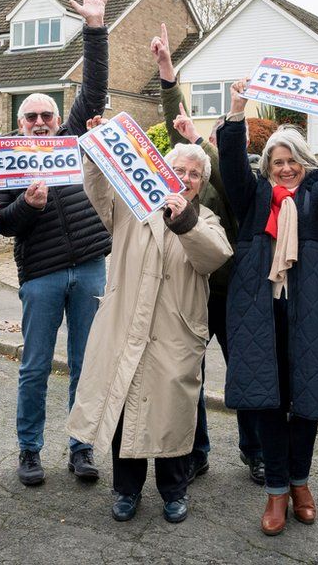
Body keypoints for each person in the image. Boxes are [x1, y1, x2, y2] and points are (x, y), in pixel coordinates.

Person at [67, 116, 232, 523]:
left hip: (175, 335)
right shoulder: (131, 208)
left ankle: (174, 491)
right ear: (162, 169)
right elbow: (99, 190)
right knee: (126, 412)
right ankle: (125, 490)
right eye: (178, 169)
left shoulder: (206, 220)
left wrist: (185, 222)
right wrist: (97, 148)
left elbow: (214, 256)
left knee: (172, 416)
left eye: (195, 174)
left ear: (201, 184)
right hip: (127, 328)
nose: (187, 178)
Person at [219, 80, 318, 536]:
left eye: (292, 161)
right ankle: (277, 490)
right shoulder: (255, 197)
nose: (284, 169)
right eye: (277, 162)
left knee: (307, 401)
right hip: (259, 312)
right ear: (268, 167)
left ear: (305, 163)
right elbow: (234, 168)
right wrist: (237, 113)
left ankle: (301, 484)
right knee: (268, 403)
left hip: (311, 311)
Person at [0, 0, 111, 486]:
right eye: (30, 116)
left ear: (59, 120)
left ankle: (81, 448)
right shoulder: (4, 161)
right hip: (38, 272)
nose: (40, 122)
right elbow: (0, 224)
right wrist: (26, 203)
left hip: (87, 265)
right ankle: (29, 449)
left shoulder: (71, 140)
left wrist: (95, 28)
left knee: (86, 363)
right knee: (35, 366)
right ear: (19, 123)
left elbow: (95, 87)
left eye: (47, 115)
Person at [151, 23, 264, 484]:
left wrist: (201, 141)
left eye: (213, 142)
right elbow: (177, 133)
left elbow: (213, 162)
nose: (195, 162)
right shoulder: (180, 184)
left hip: (233, 294)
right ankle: (194, 450)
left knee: (244, 372)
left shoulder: (235, 183)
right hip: (189, 295)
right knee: (187, 377)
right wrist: (166, 74)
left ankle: (254, 451)